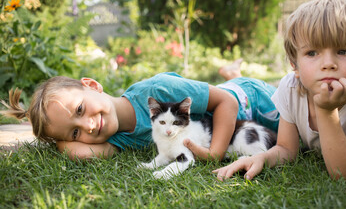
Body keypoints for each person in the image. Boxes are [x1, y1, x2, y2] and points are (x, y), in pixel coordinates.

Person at [0, 61, 279, 161]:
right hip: (230, 120)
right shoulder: (117, 139)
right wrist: (61, 139)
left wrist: (216, 153)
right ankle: (232, 73)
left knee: (298, 130)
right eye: (75, 132)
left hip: (250, 101)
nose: (88, 126)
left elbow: (226, 104)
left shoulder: (159, 89)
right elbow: (77, 152)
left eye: (80, 109)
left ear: (93, 85)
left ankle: (236, 76)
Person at [213, 0, 346, 181]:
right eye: (312, 52)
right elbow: (286, 148)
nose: (328, 63)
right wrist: (261, 158)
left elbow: (345, 172)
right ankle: (234, 75)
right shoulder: (291, 88)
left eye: (342, 51)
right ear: (294, 65)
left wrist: (326, 110)